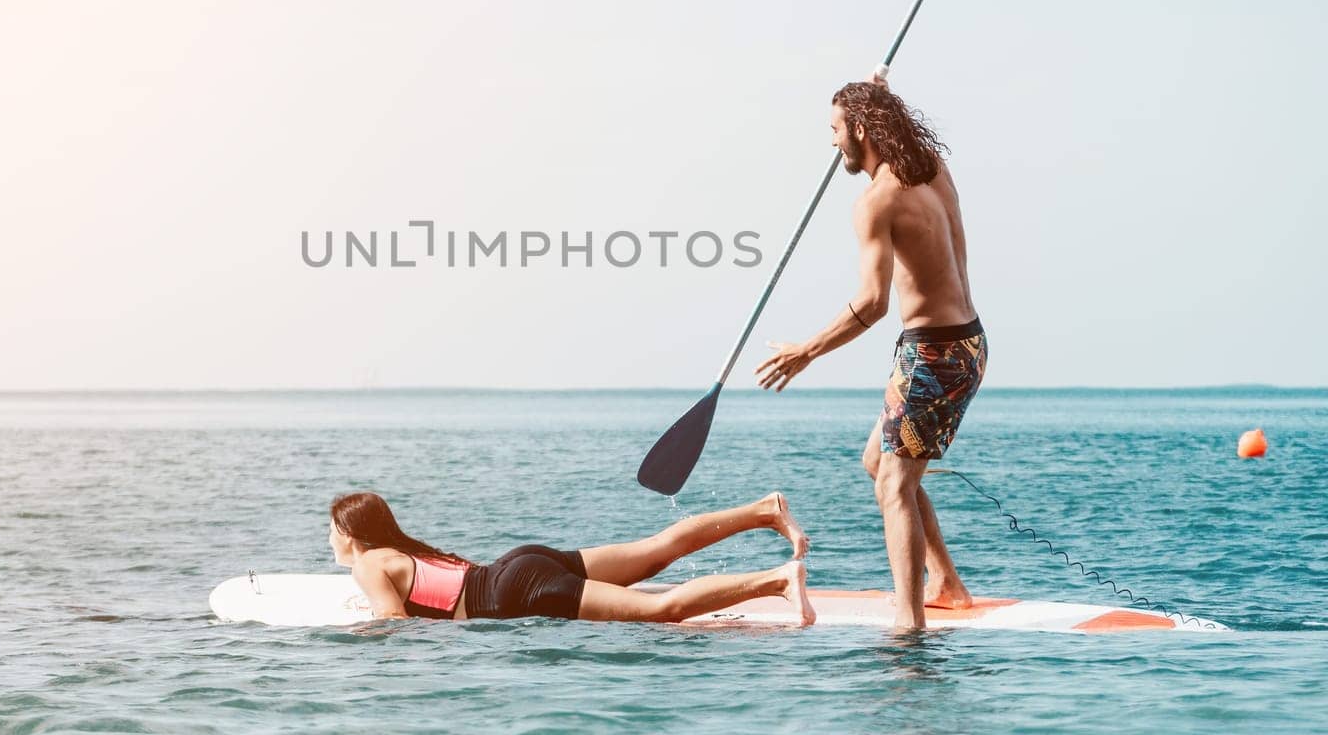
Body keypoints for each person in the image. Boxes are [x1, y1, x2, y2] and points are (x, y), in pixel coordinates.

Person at [755, 77, 987, 630]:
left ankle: (910, 626)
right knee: (877, 463)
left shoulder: (875, 202)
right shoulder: (931, 169)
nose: (832, 143)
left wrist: (807, 351)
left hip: (933, 355)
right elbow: (888, 126)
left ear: (860, 128)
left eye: (835, 129)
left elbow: (873, 302)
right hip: (969, 342)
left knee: (895, 484)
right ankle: (947, 584)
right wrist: (876, 95)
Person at [327, 490, 816, 624]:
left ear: (350, 533)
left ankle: (777, 580)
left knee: (661, 610)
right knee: (654, 551)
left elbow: (393, 623)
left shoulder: (368, 564)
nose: (329, 539)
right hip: (518, 562)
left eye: (332, 529)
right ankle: (763, 510)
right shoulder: (399, 551)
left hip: (514, 591)